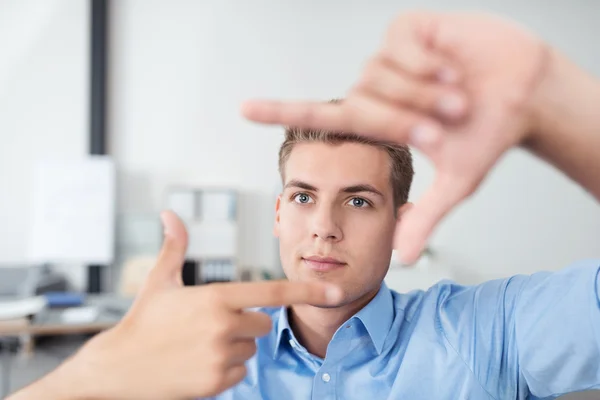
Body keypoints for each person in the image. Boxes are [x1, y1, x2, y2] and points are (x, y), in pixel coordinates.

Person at [8, 10, 600, 400]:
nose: (324, 228)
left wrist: (559, 106)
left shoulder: (484, 332)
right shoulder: (201, 358)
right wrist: (98, 371)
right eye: (303, 197)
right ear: (277, 213)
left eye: (360, 202)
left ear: (403, 222)